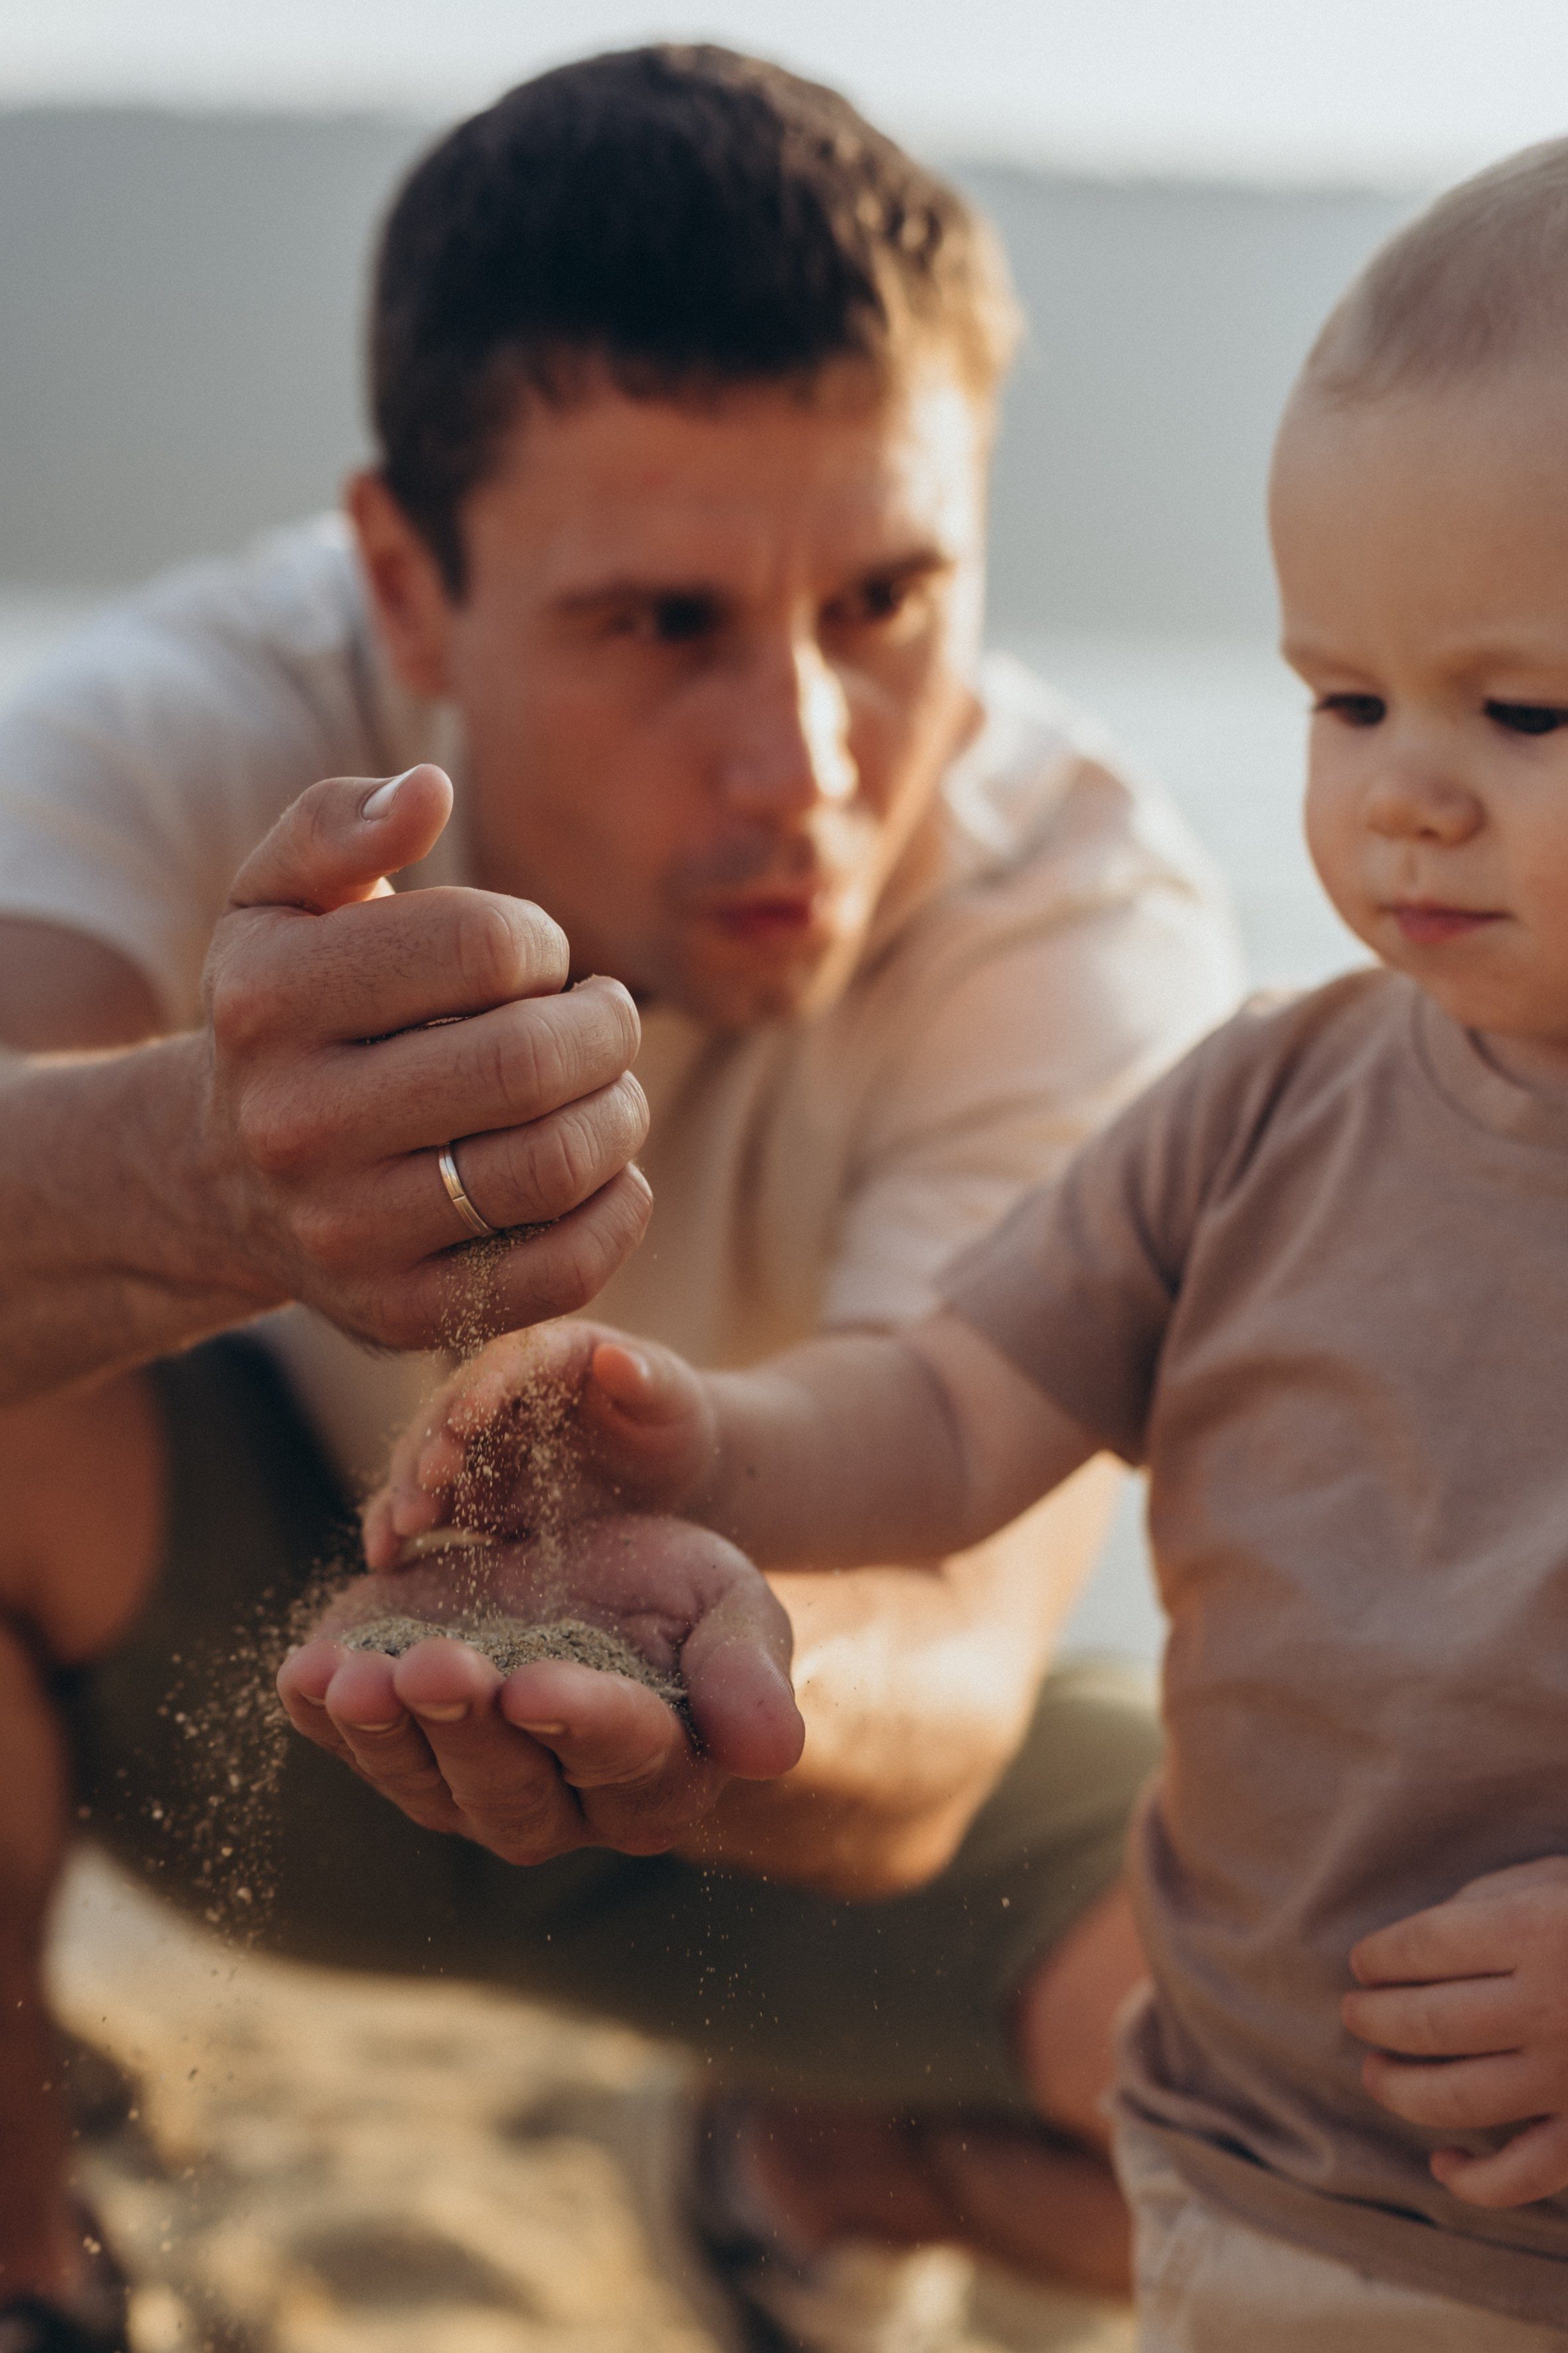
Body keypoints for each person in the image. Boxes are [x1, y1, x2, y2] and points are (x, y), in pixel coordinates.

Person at [0, 48, 1244, 2353]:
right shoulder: (196, 711)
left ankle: (803, 2175)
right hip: (246, 1689)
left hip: (808, 1797)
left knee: (1402, 2076)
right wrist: (202, 1167)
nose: (803, 763)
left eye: (887, 598)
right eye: (662, 623)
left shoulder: (1086, 922)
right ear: (405, 576)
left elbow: (948, 1690)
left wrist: (718, 1665)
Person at [367, 138, 1568, 2348]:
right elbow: (940, 1407)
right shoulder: (1260, 1107)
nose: (1404, 790)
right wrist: (693, 1440)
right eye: (1341, 698)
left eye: (1520, 713)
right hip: (1246, 2184)